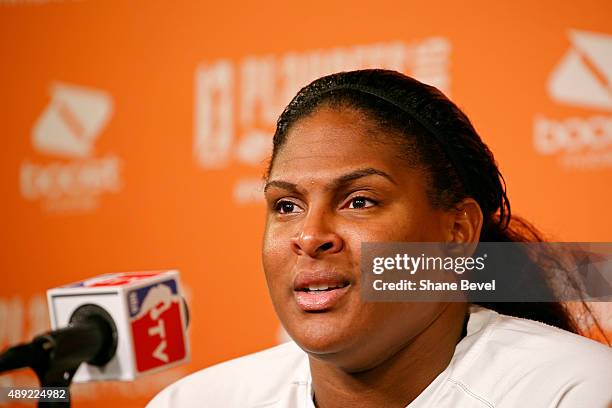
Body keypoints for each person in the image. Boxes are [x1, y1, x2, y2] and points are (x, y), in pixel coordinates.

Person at [147, 69, 612, 407]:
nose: (310, 236)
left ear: (457, 233)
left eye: (359, 201)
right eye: (286, 206)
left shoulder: (571, 390)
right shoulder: (192, 401)